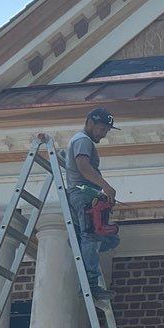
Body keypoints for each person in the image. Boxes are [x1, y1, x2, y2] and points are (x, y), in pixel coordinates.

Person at [65, 107, 119, 297]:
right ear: (90, 123)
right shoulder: (83, 140)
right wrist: (105, 186)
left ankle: (80, 245)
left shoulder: (83, 140)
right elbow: (83, 166)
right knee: (92, 235)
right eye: (102, 129)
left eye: (106, 131)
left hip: (85, 194)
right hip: (83, 194)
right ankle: (90, 285)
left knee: (109, 238)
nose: (103, 134)